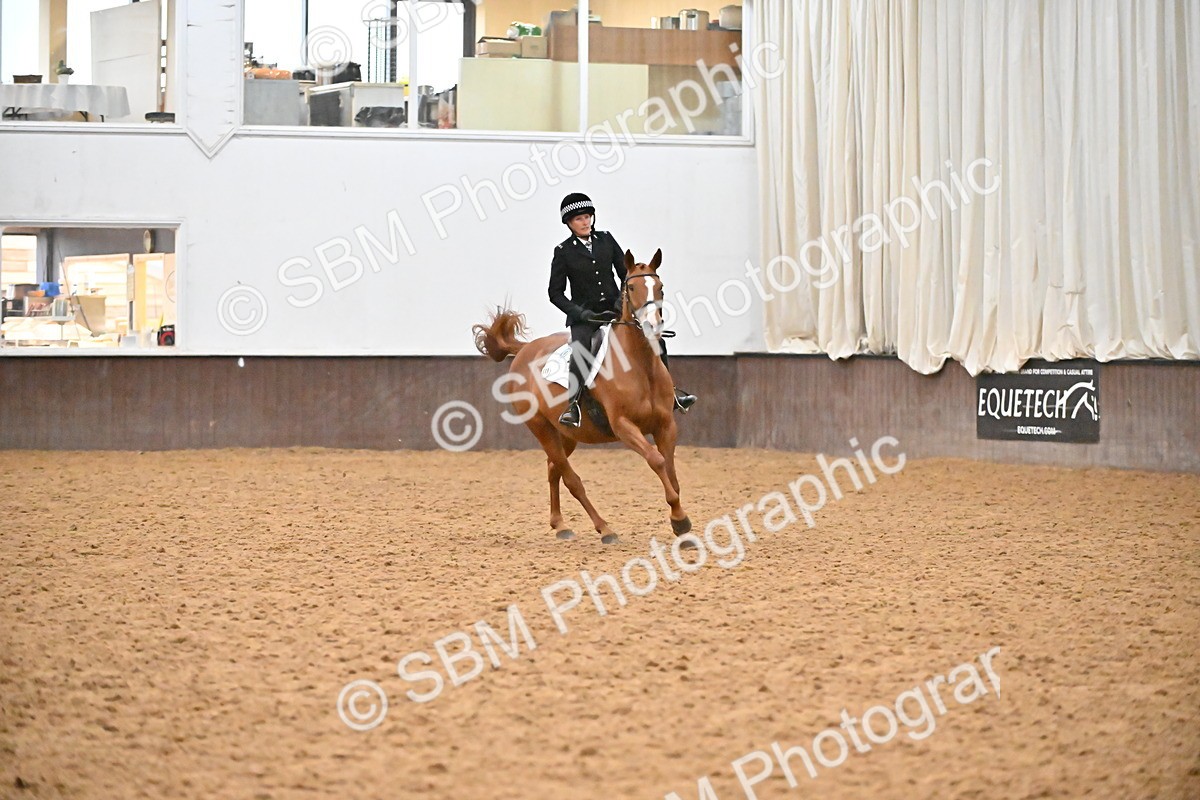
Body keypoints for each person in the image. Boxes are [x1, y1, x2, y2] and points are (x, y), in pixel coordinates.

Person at [548, 192, 698, 428]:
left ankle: (671, 393)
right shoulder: (563, 251)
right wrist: (580, 313)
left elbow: (625, 275)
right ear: (569, 223)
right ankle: (573, 405)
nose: (585, 222)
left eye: (588, 217)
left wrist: (620, 303)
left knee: (656, 338)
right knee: (581, 352)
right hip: (586, 317)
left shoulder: (606, 240)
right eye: (579, 219)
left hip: (615, 310)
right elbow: (554, 294)